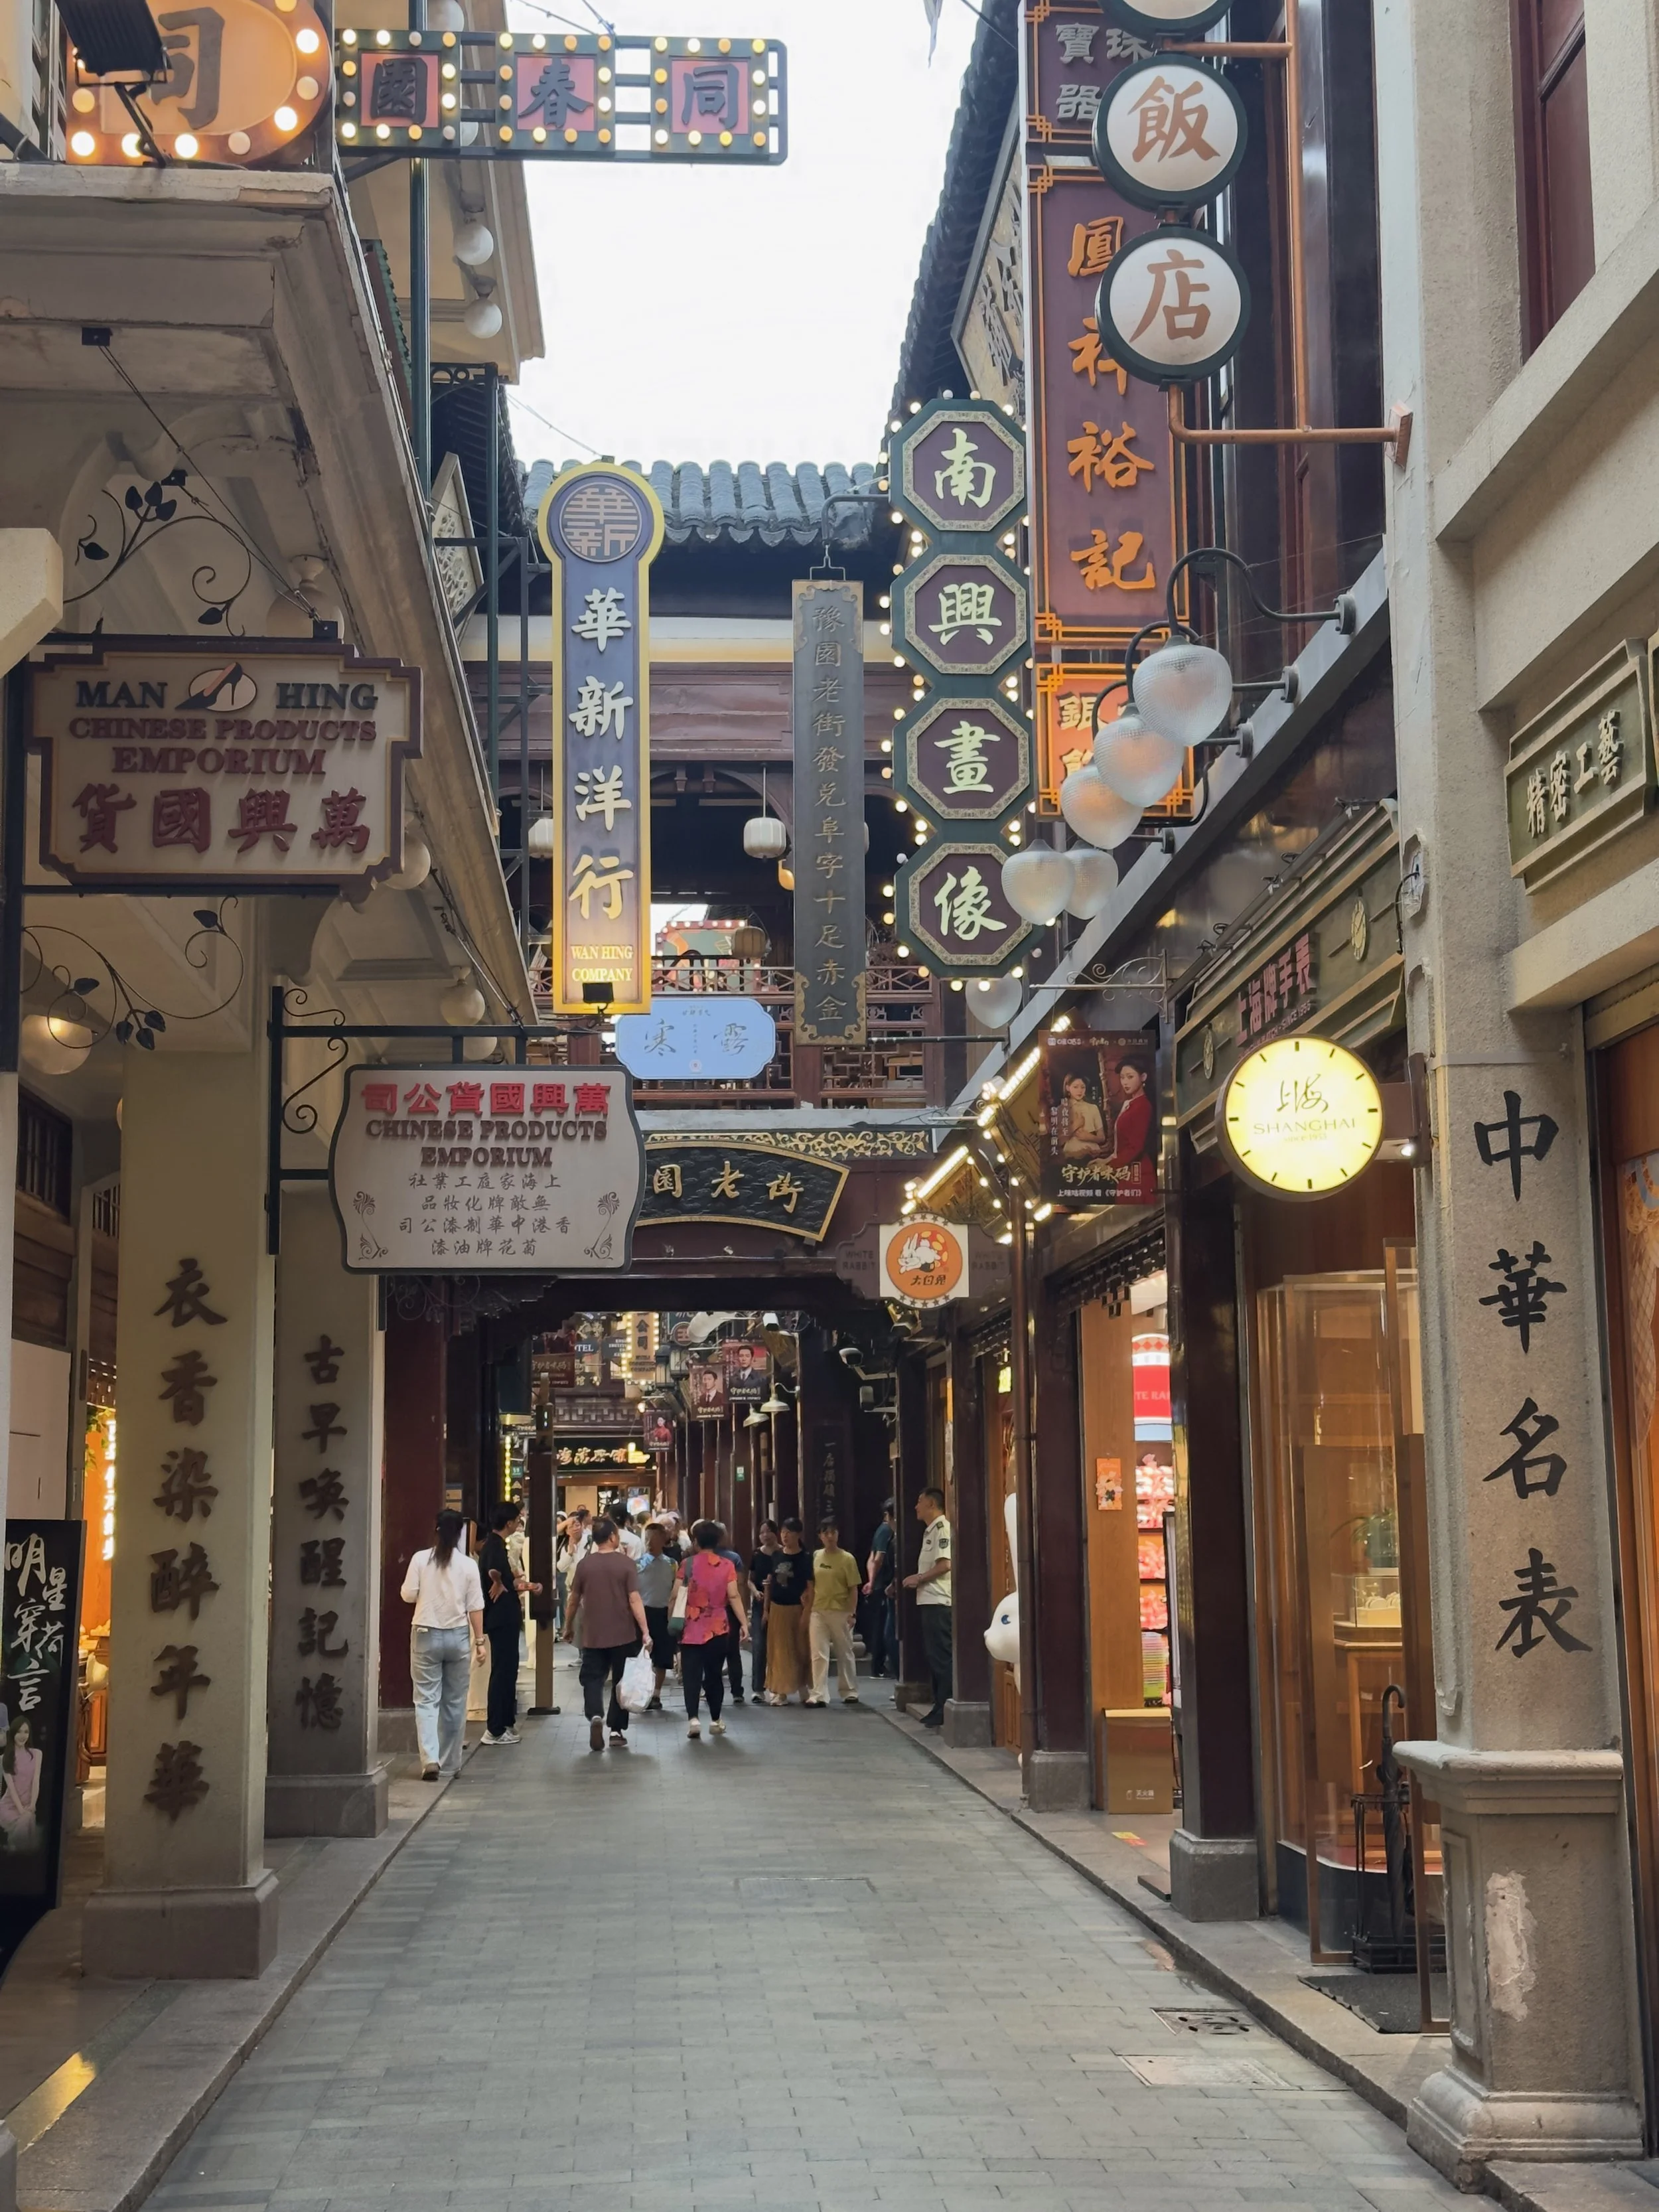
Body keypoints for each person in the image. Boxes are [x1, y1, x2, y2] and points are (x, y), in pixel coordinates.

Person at [401, 1509, 486, 1779]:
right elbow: (476, 1607)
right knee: (455, 1702)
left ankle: (430, 1760)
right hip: (458, 1636)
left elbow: (407, 1595)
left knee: (426, 1700)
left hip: (425, 1632)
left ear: (435, 1529)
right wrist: (480, 1642)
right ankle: (450, 1763)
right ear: (460, 1534)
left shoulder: (420, 1560)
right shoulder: (469, 1565)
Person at [565, 1515, 650, 1749]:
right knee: (620, 1681)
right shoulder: (626, 1564)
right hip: (623, 1633)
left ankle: (595, 1715)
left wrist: (568, 1625)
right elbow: (634, 1599)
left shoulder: (585, 1564)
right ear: (613, 1537)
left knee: (592, 1678)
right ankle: (616, 1730)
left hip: (592, 1634)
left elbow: (573, 1600)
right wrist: (645, 1630)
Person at [678, 1518, 747, 1737]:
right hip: (718, 1627)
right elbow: (734, 1595)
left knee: (691, 1675)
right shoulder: (727, 1566)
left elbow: (675, 1595)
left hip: (690, 1626)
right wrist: (744, 1622)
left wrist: (672, 1619)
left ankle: (693, 1720)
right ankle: (716, 1720)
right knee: (714, 1675)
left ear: (696, 1541)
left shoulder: (686, 1565)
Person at [478, 1500, 540, 1747]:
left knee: (507, 1670)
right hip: (500, 1619)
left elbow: (506, 1580)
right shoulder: (493, 1547)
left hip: (504, 1618)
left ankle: (504, 1723)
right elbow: (497, 1576)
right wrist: (501, 1582)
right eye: (516, 1520)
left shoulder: (496, 1546)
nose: (518, 1524)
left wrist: (528, 1587)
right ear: (508, 1523)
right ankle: (495, 1729)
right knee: (502, 1672)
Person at [904, 1487, 953, 1728]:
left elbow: (945, 1565)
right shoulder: (929, 1530)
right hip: (929, 1600)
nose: (916, 1506)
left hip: (939, 1601)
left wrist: (919, 1578)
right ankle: (938, 1704)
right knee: (934, 1658)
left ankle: (946, 1707)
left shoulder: (942, 1528)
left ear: (932, 1504)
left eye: (920, 1502)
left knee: (942, 1658)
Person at [806, 1517, 861, 1706]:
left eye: (833, 1532)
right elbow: (810, 1583)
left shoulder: (847, 1559)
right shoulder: (815, 1557)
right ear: (820, 1536)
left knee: (844, 1652)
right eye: (826, 1533)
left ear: (838, 1535)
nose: (830, 1536)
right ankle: (818, 1694)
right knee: (819, 1654)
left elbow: (854, 1588)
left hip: (841, 1611)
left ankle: (849, 1691)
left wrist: (852, 1613)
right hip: (818, 1610)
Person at [762, 1517, 812, 1704]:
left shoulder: (805, 1558)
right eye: (783, 1532)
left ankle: (802, 1686)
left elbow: (810, 1587)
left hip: (797, 1608)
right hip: (777, 1608)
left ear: (798, 1535)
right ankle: (779, 1692)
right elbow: (769, 1583)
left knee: (800, 1649)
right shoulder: (776, 1555)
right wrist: (766, 1610)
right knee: (779, 1651)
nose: (785, 1536)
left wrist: (807, 1612)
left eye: (789, 1532)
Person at [636, 1519, 678, 1710]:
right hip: (643, 1614)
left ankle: (657, 1694)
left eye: (654, 1538)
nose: (649, 1542)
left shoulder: (672, 1565)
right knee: (643, 1655)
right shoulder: (637, 1565)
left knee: (662, 1656)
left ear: (663, 1539)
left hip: (664, 1613)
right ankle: (643, 1692)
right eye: (647, 1538)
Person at [863, 1501, 897, 1679]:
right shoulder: (887, 1531)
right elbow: (878, 1558)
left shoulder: (879, 1530)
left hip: (878, 1584)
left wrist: (870, 1580)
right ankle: (879, 1666)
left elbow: (871, 1558)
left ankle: (878, 1666)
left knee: (880, 1626)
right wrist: (874, 1580)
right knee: (885, 1628)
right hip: (884, 1585)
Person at [716, 1529, 751, 1703]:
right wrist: (742, 1611)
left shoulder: (700, 1558)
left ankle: (712, 1690)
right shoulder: (734, 1558)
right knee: (733, 1652)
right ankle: (737, 1691)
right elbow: (741, 1585)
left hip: (711, 1610)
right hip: (730, 1609)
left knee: (712, 1652)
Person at [749, 1520, 780, 1696]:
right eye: (762, 1532)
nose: (765, 1535)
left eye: (769, 1531)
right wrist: (754, 1591)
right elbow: (749, 1580)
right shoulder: (756, 1554)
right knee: (759, 1646)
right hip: (760, 1604)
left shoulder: (783, 1553)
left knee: (777, 1646)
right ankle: (758, 1689)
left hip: (779, 1603)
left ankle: (776, 1686)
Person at [0, 1722, 41, 1852]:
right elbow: (11, 1788)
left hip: (28, 1804)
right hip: (9, 1807)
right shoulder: (4, 1758)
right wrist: (21, 1810)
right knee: (27, 1820)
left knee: (28, 1819)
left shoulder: (37, 1754)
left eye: (26, 1732)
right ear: (12, 1734)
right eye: (19, 1732)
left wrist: (33, 1804)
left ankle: (14, 1850)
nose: (22, 1736)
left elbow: (36, 1781)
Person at [1108, 1055, 1155, 1167]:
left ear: (1143, 1077)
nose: (1125, 1082)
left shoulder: (1143, 1106)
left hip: (1138, 1169)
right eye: (1122, 1077)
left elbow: (1136, 1148)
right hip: (1125, 1168)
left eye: (1130, 1077)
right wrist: (1106, 1161)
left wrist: (1110, 1166)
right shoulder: (1130, 1103)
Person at [1058, 1070, 1108, 1158]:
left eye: (1082, 1087)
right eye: (1076, 1087)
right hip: (1071, 1154)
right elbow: (1059, 1141)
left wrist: (1090, 1137)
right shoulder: (1061, 1110)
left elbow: (1102, 1138)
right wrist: (1076, 1125)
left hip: (1092, 1151)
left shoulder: (1093, 1108)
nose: (1080, 1091)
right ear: (1068, 1088)